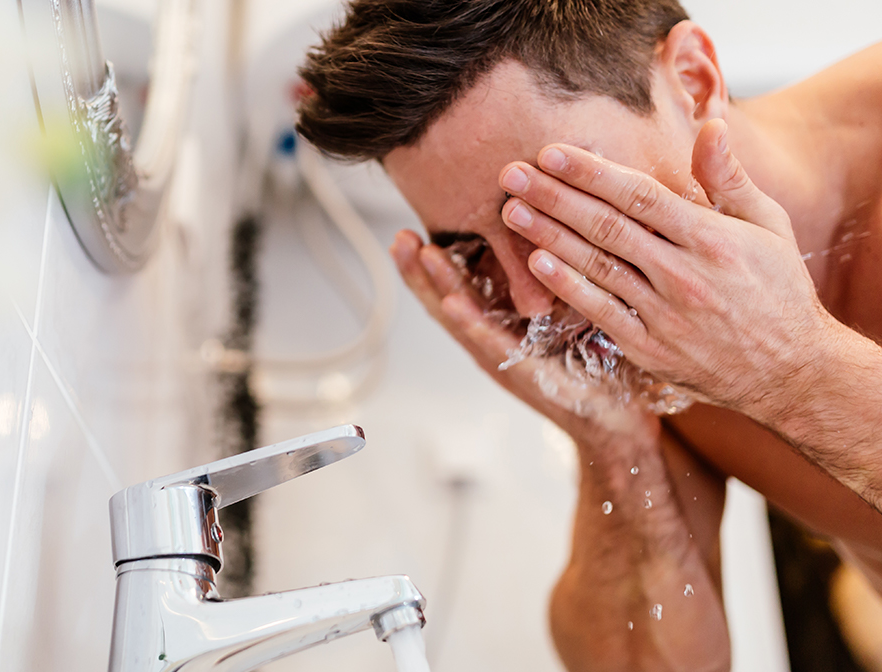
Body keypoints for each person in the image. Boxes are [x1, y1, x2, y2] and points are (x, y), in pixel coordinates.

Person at [294, 1, 882, 670]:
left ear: (692, 80)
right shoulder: (652, 341)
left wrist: (794, 372)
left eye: (551, 208)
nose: (531, 299)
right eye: (473, 249)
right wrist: (610, 439)